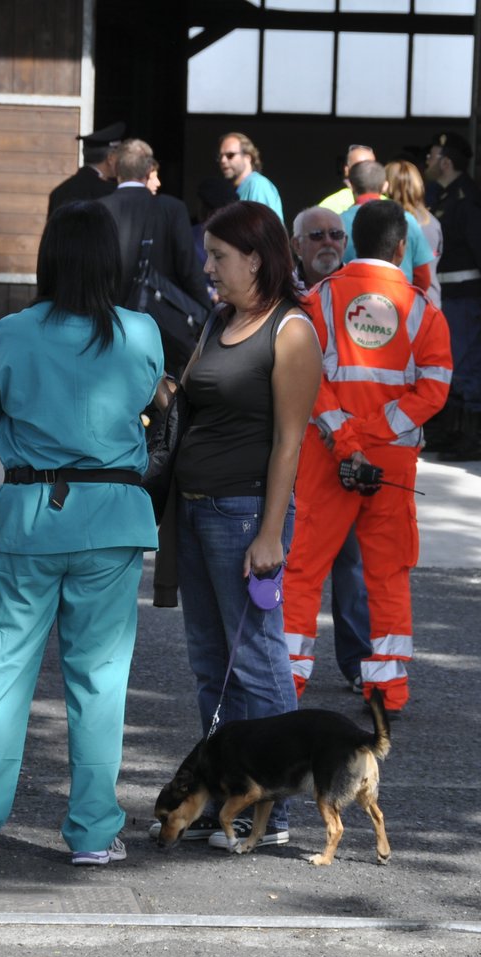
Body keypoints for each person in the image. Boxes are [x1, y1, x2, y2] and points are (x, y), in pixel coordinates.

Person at [0, 201, 163, 864]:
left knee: (2, 669)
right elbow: (149, 395)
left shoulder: (14, 330)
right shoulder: (141, 331)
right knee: (99, 680)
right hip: (114, 519)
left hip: (33, 515)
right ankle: (93, 832)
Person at [172, 200, 321, 849]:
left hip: (241, 517)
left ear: (256, 258)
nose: (209, 267)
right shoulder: (218, 318)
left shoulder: (291, 331)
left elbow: (290, 441)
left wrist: (270, 532)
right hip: (194, 509)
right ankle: (229, 793)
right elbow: (186, 394)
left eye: (219, 257)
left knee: (258, 664)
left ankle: (276, 812)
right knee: (212, 666)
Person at [284, 200, 452, 714]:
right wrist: (377, 436)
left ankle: (286, 682)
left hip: (327, 459)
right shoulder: (423, 309)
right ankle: (387, 689)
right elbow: (435, 386)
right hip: (393, 468)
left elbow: (303, 374)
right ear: (402, 247)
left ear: (353, 240)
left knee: (304, 570)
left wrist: (347, 438)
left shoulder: (319, 300)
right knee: (387, 573)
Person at [291, 206, 372, 694]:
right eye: (316, 235)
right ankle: (285, 669)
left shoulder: (359, 299)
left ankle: (359, 661)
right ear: (296, 244)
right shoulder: (288, 299)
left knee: (353, 562)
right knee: (298, 562)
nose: (328, 242)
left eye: (336, 234)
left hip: (354, 453)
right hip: (304, 454)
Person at [101, 138, 211, 374]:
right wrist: (206, 314)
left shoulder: (99, 209)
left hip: (107, 325)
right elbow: (188, 269)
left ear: (116, 169)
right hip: (161, 327)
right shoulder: (172, 209)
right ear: (149, 169)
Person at [424, 131, 481, 462]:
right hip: (448, 294)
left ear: (446, 162)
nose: (427, 161)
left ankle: (472, 435)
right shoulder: (441, 197)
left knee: (466, 361)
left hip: (464, 295)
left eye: (432, 156)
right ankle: (452, 430)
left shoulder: (466, 199)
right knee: (450, 361)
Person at [340, 161, 435, 294]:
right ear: (385, 186)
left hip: (350, 304)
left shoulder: (337, 222)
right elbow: (423, 277)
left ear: (351, 186)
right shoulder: (406, 218)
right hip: (399, 303)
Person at [386, 159, 442, 308]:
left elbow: (421, 277)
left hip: (401, 305)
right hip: (430, 303)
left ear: (387, 186)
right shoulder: (432, 222)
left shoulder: (389, 222)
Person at [47, 121, 123, 216]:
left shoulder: (60, 192)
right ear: (110, 158)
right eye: (119, 155)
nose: (121, 160)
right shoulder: (111, 193)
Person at [218, 132, 284, 222]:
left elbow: (264, 233)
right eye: (220, 156)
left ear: (247, 157)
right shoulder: (236, 191)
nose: (223, 160)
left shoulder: (258, 185)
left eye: (230, 155)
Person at [319, 144, 376, 215]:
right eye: (358, 167)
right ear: (346, 170)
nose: (365, 171)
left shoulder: (387, 203)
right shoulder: (329, 206)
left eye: (371, 166)